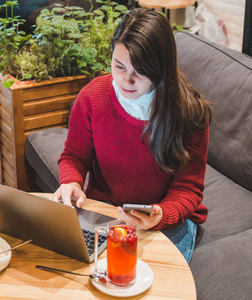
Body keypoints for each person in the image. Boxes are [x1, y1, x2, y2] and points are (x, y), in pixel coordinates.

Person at [52, 8, 212, 263]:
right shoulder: (93, 97)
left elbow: (188, 189)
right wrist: (71, 181)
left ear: (161, 69)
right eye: (119, 66)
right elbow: (73, 156)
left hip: (165, 218)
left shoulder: (189, 113)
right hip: (105, 210)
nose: (126, 80)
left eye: (140, 71)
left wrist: (162, 214)